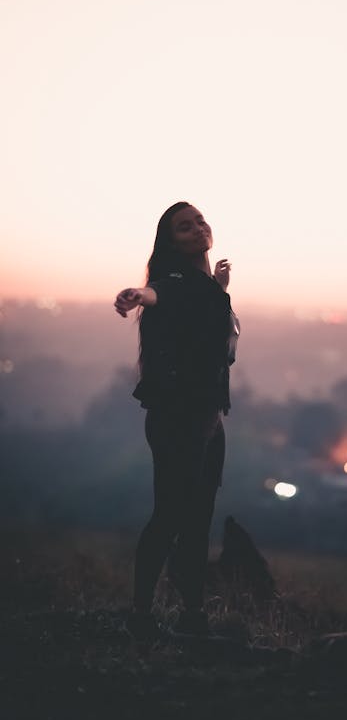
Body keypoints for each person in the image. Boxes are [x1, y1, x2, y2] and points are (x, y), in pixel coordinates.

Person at [114, 202, 240, 639]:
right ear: (170, 242)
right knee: (169, 516)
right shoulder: (177, 281)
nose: (197, 229)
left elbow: (217, 342)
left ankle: (191, 613)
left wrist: (219, 288)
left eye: (199, 221)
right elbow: (162, 293)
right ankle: (141, 615)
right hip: (179, 419)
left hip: (208, 418)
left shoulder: (206, 286)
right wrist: (138, 295)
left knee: (198, 519)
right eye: (183, 228)